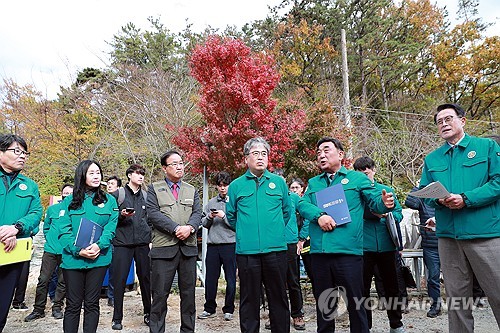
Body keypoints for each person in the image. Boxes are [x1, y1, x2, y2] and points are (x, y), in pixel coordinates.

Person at [296, 137, 396, 333]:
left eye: (326, 150)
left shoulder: (357, 179)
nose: (321, 155)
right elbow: (302, 204)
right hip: (320, 253)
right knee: (325, 307)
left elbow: (374, 203)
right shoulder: (314, 183)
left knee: (356, 305)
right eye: (318, 153)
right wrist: (319, 216)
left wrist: (385, 202)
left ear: (340, 155)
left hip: (348, 253)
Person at [420, 103, 500, 332]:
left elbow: (498, 182)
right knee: (457, 302)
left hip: (485, 233)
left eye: (448, 119)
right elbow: (425, 191)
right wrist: (438, 199)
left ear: (462, 121)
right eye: (439, 122)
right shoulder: (432, 158)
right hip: (448, 237)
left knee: (498, 293)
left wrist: (466, 198)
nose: (444, 124)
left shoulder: (486, 147)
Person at [226, 137, 292, 333]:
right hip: (247, 252)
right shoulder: (236, 185)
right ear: (246, 158)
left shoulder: (279, 182)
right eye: (255, 153)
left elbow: (286, 211)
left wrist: (273, 230)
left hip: (276, 250)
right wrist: (247, 232)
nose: (261, 157)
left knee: (278, 298)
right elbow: (231, 216)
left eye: (264, 153)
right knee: (248, 300)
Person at [58, 160, 118, 333]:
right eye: (91, 173)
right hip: (73, 260)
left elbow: (111, 228)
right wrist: (78, 250)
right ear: (82, 175)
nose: (96, 176)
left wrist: (99, 246)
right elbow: (63, 231)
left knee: (92, 303)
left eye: (98, 172)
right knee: (73, 304)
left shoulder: (109, 201)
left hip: (98, 260)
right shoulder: (69, 201)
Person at [146, 149, 202, 333]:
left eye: (181, 163)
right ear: (164, 168)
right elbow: (153, 214)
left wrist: (190, 228)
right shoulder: (154, 188)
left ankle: (188, 330)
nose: (179, 167)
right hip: (164, 249)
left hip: (188, 249)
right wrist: (176, 228)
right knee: (160, 296)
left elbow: (197, 213)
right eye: (174, 164)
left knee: (188, 295)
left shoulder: (191, 189)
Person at [353, 156, 405, 332]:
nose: (364, 176)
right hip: (363, 247)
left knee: (392, 287)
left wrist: (388, 215)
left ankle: (396, 324)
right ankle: (364, 326)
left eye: (367, 172)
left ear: (374, 170)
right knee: (362, 289)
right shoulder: (353, 193)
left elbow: (398, 212)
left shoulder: (386, 190)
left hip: (387, 245)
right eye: (360, 173)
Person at [0, 134, 43, 332]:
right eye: (17, 151)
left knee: (2, 310)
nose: (22, 156)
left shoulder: (31, 185)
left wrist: (16, 228)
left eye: (25, 153)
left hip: (12, 254)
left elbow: (36, 214)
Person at [109, 164, 152, 330]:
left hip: (142, 243)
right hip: (122, 243)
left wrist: (150, 236)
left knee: (145, 280)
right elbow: (109, 218)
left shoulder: (147, 196)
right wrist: (121, 215)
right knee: (119, 281)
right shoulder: (117, 195)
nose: (140, 176)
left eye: (142, 173)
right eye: (137, 173)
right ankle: (117, 318)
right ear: (129, 175)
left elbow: (150, 219)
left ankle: (148, 313)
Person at [24, 184, 74, 322]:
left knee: (62, 281)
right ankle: (38, 309)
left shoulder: (76, 210)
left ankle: (57, 307)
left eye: (70, 192)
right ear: (62, 194)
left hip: (67, 251)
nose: (67, 195)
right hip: (50, 250)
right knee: (43, 279)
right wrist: (51, 239)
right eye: (65, 192)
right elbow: (46, 227)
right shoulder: (52, 209)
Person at [198, 171, 237, 322]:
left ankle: (229, 309)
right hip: (213, 245)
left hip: (230, 244)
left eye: (225, 185)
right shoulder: (210, 203)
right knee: (210, 279)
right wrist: (209, 216)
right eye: (220, 185)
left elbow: (237, 224)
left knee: (231, 279)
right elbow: (204, 224)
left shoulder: (234, 202)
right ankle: (209, 308)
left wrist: (224, 216)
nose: (222, 188)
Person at [405, 182, 441, 318]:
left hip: (449, 242)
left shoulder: (448, 192)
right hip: (430, 245)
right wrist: (419, 186)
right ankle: (435, 306)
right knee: (433, 277)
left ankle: (459, 306)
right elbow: (410, 202)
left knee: (455, 277)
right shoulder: (424, 196)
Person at [105, 175, 122, 307]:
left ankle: (112, 296)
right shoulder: (102, 199)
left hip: (116, 239)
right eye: (108, 183)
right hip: (101, 237)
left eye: (112, 184)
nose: (109, 185)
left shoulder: (121, 200)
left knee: (114, 269)